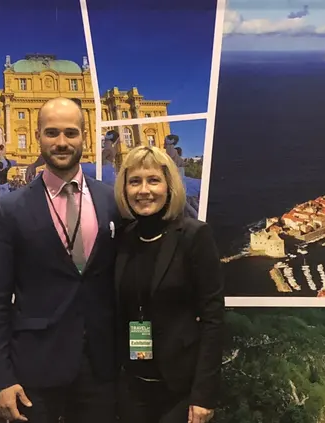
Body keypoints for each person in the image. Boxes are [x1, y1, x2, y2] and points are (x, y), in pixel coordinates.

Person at [0, 98, 122, 423]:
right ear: (38, 137)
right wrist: (0, 378)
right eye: (52, 132)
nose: (61, 142)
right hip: (35, 369)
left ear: (84, 136)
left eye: (71, 133)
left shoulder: (111, 200)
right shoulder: (10, 209)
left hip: (101, 367)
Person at [113, 145, 224, 423]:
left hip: (180, 390)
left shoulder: (194, 236)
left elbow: (213, 318)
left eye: (153, 180)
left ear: (169, 186)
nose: (144, 190)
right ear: (124, 189)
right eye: (134, 181)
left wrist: (204, 394)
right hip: (133, 386)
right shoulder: (123, 238)